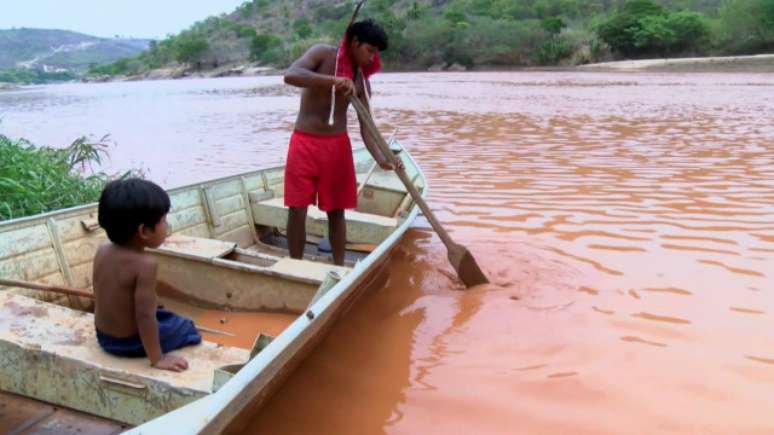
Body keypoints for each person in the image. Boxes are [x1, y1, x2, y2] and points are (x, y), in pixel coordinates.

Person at [283, 18, 402, 265]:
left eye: (376, 53)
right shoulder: (322, 54)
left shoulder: (361, 81)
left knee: (336, 212)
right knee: (297, 208)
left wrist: (382, 159)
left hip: (337, 148)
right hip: (304, 143)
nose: (372, 58)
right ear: (355, 42)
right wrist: (333, 81)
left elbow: (367, 128)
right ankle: (295, 265)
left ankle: (338, 267)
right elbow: (291, 74)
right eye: (369, 50)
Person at [92, 178, 200, 372]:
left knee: (162, 314)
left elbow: (107, 293)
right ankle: (157, 352)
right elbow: (144, 316)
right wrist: (157, 358)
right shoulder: (145, 265)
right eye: (163, 220)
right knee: (186, 326)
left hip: (103, 337)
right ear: (143, 231)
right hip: (127, 344)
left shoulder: (102, 250)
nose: (166, 225)